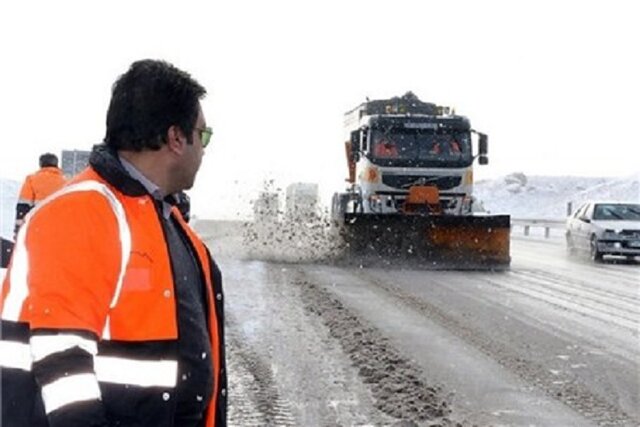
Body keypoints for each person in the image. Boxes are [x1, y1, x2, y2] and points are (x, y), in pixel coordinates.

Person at [1, 59, 226, 427]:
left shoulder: (164, 220)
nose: (204, 149)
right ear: (175, 138)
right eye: (203, 135)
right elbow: (62, 363)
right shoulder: (82, 212)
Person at [14, 152, 66, 238]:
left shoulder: (31, 179)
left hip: (37, 227)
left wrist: (18, 231)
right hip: (58, 229)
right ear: (56, 164)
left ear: (41, 164)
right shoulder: (66, 182)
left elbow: (23, 206)